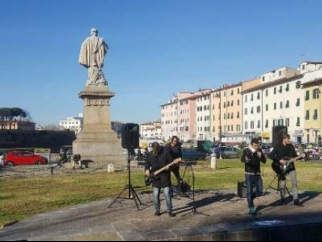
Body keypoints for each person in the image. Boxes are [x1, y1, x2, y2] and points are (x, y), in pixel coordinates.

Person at [268, 133, 302, 206]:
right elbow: (270, 155)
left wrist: (301, 156)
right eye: (288, 139)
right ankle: (283, 199)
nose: (289, 140)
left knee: (294, 182)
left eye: (289, 139)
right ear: (284, 139)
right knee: (282, 184)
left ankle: (296, 200)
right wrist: (279, 160)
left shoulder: (291, 146)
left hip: (291, 167)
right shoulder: (277, 147)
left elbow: (294, 156)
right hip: (281, 168)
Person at [145, 142, 175, 217]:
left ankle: (169, 210)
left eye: (156, 151)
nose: (155, 152)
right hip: (155, 178)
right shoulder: (149, 154)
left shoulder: (165, 153)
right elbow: (147, 165)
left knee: (167, 194)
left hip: (165, 176)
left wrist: (169, 168)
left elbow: (172, 163)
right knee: (155, 195)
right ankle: (157, 210)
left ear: (159, 148)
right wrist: (147, 170)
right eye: (154, 151)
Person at [241, 138, 266, 215]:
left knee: (260, 190)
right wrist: (246, 160)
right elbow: (242, 159)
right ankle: (251, 208)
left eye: (257, 145)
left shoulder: (259, 151)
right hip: (249, 174)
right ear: (252, 144)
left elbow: (264, 161)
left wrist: (261, 156)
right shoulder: (246, 151)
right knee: (249, 191)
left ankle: (249, 199)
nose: (256, 147)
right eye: (255, 145)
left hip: (257, 174)